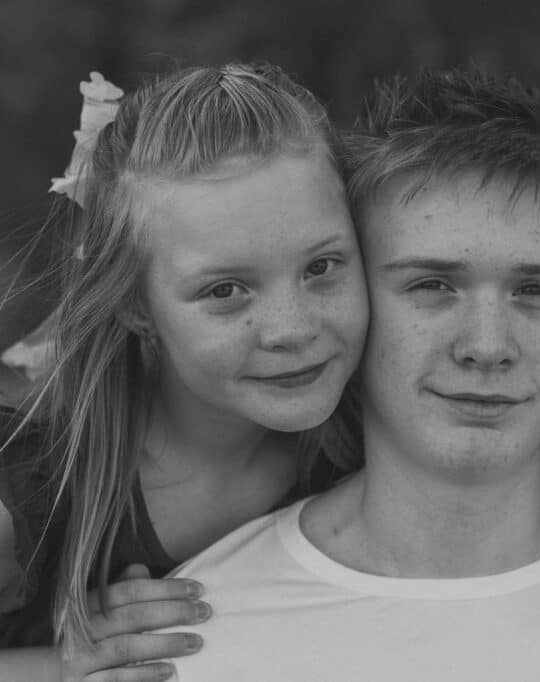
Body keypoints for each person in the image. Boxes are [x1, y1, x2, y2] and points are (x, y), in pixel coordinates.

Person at [153, 68, 540, 682]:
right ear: (353, 298)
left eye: (535, 289)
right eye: (432, 285)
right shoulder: (188, 628)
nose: (487, 346)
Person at [0, 63, 370, 681]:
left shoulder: (370, 427)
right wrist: (59, 669)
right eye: (226, 290)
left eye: (322, 266)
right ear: (136, 307)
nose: (293, 328)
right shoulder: (38, 480)